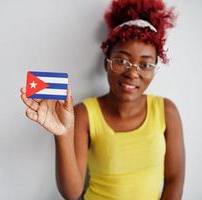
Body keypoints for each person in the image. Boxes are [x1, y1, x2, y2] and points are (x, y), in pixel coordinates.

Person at [20, 0, 185, 199]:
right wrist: (62, 135)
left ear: (154, 70)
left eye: (145, 64)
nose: (132, 74)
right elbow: (72, 193)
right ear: (107, 63)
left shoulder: (167, 111)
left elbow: (175, 179)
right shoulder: (84, 114)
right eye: (121, 61)